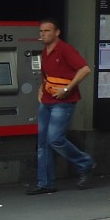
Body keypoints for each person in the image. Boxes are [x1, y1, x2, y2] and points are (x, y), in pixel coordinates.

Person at [29, 18, 95, 195]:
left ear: (57, 32)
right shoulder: (45, 52)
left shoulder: (65, 49)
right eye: (41, 31)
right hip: (47, 100)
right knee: (43, 142)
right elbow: (46, 75)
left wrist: (67, 88)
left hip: (64, 101)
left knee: (54, 139)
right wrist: (41, 89)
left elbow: (85, 69)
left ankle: (85, 162)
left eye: (47, 31)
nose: (43, 34)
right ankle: (45, 183)